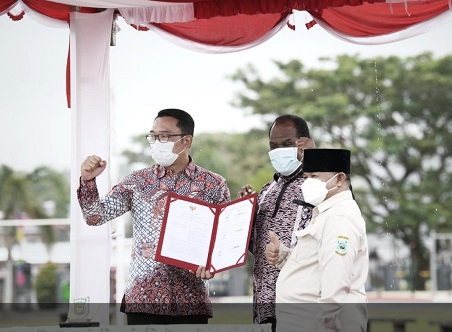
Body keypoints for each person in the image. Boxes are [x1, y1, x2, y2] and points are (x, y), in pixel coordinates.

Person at [77, 108, 231, 325]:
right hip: (143, 299)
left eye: (165, 136)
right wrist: (88, 181)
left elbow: (224, 239)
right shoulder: (137, 182)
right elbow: (94, 217)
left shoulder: (213, 184)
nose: (157, 141)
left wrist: (213, 265)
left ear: (186, 141)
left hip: (190, 300)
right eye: (154, 135)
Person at [266, 148, 369, 332]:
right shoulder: (324, 213)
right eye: (305, 177)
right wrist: (284, 256)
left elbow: (336, 282)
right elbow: (315, 265)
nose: (307, 183)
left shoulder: (339, 218)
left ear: (339, 179)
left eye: (314, 176)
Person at [238, 114, 316, 331]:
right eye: (273, 146)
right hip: (265, 304)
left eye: (287, 144)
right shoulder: (266, 191)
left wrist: (316, 158)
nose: (279, 150)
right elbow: (257, 248)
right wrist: (246, 214)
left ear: (304, 143)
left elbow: (344, 203)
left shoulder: (319, 185)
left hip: (301, 302)